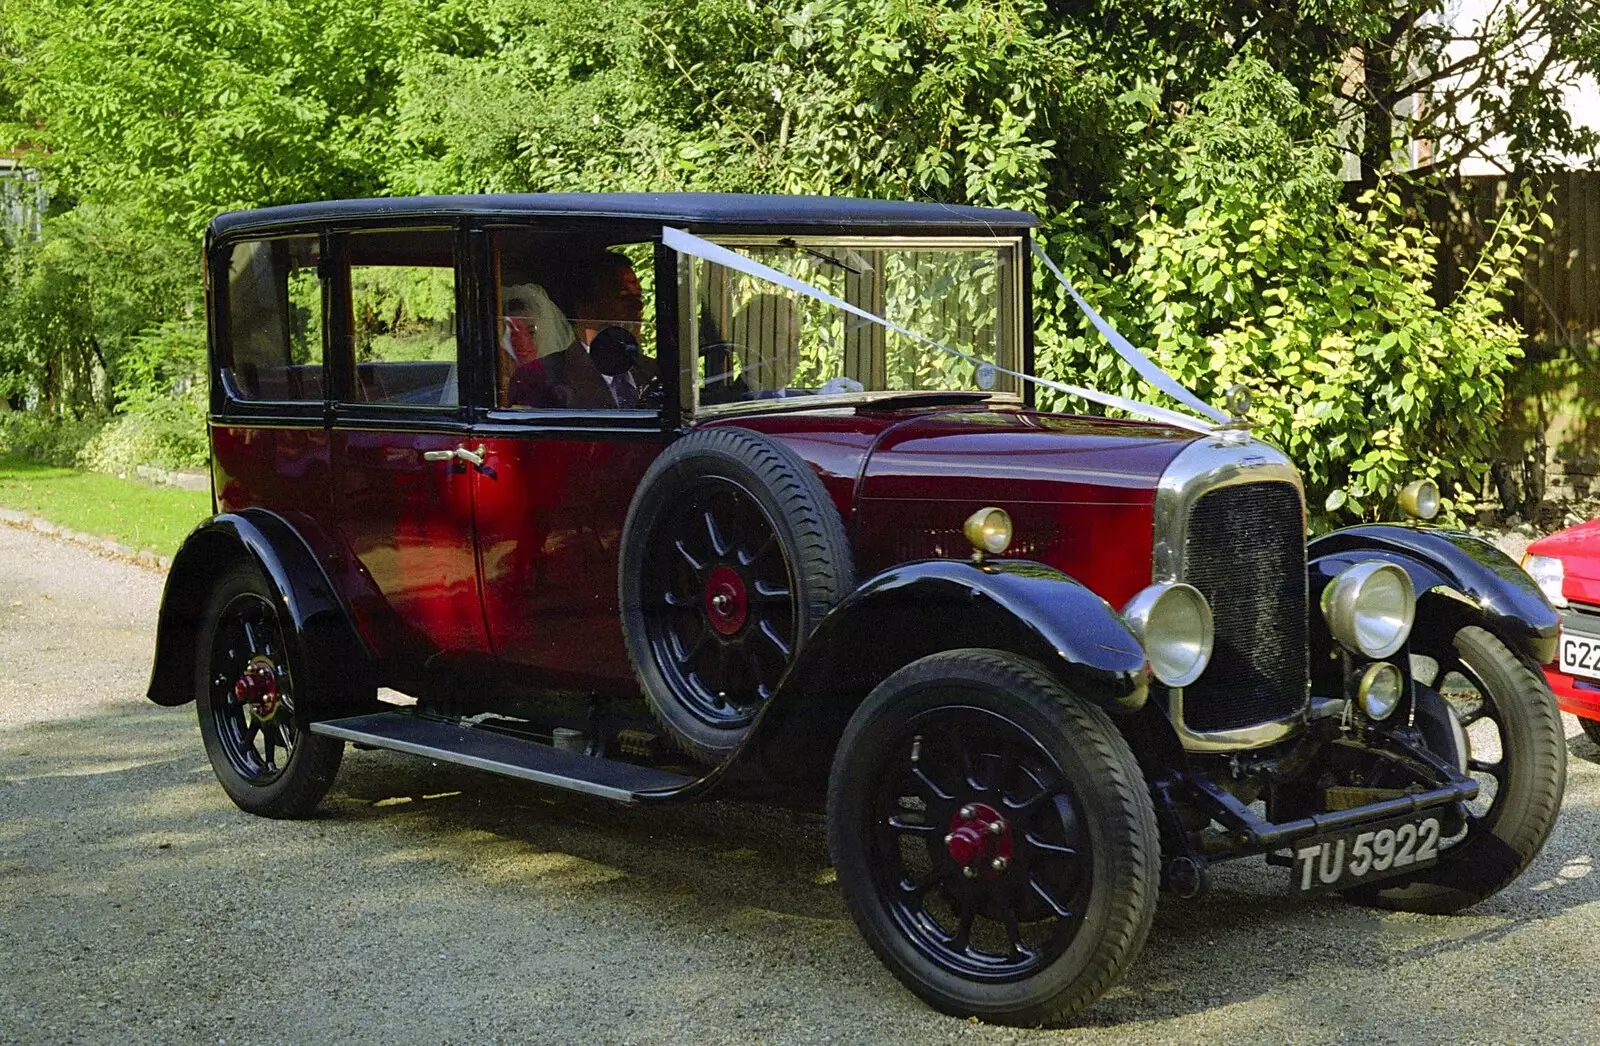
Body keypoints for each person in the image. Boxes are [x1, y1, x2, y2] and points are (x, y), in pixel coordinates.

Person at [506, 252, 658, 408]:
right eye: (623, 297)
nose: (638, 307)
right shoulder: (538, 378)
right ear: (585, 308)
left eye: (639, 297)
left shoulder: (655, 372)